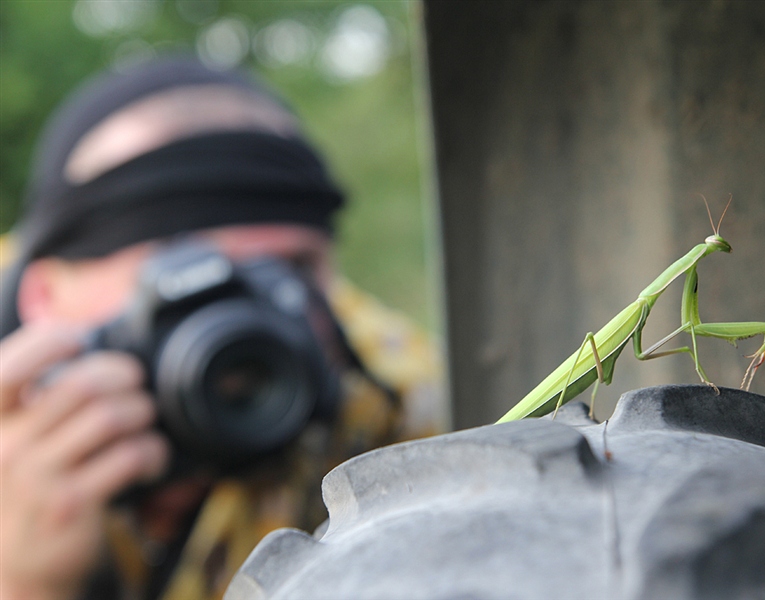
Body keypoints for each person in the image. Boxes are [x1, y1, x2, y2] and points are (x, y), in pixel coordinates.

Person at [0, 56, 445, 600]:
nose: (247, 324)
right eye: (188, 278)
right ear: (45, 297)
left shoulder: (391, 388)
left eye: (290, 271)